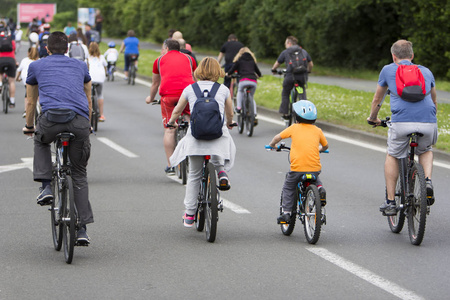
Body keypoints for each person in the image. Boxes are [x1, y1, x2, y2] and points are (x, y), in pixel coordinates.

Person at [22, 31, 93, 244]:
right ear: (69, 49)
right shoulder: (81, 66)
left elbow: (30, 102)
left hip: (51, 120)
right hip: (79, 122)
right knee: (79, 173)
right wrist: (87, 125)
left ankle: (45, 186)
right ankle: (81, 229)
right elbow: (87, 97)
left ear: (47, 48)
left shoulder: (36, 66)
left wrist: (29, 126)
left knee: (40, 139)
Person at [367, 39, 438, 216]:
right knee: (426, 149)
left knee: (393, 154)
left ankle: (391, 201)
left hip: (401, 122)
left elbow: (377, 100)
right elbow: (434, 101)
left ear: (393, 56)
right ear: (412, 56)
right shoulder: (426, 71)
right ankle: (427, 181)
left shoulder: (388, 69)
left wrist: (373, 118)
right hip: (428, 120)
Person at [167, 57, 236, 227]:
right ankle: (221, 172)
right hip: (217, 137)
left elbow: (177, 110)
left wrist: (171, 122)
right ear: (217, 72)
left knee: (195, 175)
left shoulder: (190, 89)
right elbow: (230, 112)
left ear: (198, 72)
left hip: (196, 138)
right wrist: (229, 122)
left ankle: (190, 214)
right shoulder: (223, 89)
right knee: (222, 141)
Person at [268, 100, 328, 224]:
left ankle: (286, 213)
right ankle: (320, 189)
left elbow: (277, 138)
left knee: (288, 187)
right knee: (316, 178)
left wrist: (272, 145)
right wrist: (320, 149)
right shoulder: (318, 130)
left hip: (297, 169)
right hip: (314, 168)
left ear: (296, 117)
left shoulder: (294, 128)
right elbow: (326, 146)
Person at [145, 39, 196, 175]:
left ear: (166, 48)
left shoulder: (159, 60)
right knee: (191, 122)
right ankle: (196, 157)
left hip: (169, 96)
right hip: (188, 94)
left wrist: (150, 98)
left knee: (169, 130)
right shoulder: (190, 59)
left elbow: (155, 83)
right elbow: (195, 78)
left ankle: (171, 165)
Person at [271, 36, 313, 119]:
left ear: (289, 43)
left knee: (286, 93)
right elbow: (311, 64)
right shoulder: (303, 51)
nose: (285, 45)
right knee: (301, 91)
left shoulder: (285, 52)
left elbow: (277, 63)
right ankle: (305, 113)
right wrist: (308, 71)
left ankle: (285, 114)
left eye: (285, 43)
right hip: (301, 78)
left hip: (290, 77)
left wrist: (273, 70)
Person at [227, 47, 262, 123]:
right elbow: (258, 72)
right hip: (253, 81)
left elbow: (232, 69)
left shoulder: (239, 60)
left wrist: (228, 74)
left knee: (240, 91)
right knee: (251, 97)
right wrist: (258, 75)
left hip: (243, 80)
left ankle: (239, 108)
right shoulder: (252, 61)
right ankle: (254, 113)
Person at [16, 46, 39, 117]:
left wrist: (17, 78)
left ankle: (26, 110)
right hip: (38, 80)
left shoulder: (24, 60)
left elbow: (19, 71)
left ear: (28, 53)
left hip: (27, 80)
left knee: (27, 96)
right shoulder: (39, 60)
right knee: (38, 94)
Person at [88, 42, 107, 122]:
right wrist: (105, 75)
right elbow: (105, 67)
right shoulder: (101, 57)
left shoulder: (88, 58)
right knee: (100, 94)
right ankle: (101, 115)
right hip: (100, 78)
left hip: (90, 78)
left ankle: (88, 114)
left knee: (88, 95)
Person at [0, 24, 17, 108]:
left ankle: (0, 84)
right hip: (11, 60)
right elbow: (14, 51)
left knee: (0, 73)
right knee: (11, 82)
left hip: (1, 60)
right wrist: (15, 62)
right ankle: (12, 101)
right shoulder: (11, 41)